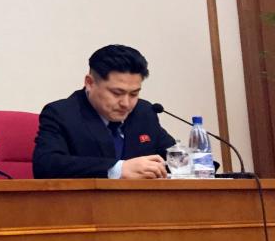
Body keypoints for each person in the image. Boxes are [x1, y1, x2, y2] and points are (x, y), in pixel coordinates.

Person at [32, 44, 175, 179]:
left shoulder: (143, 112)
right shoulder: (62, 114)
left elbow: (173, 156)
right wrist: (118, 169)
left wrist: (191, 160)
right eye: (117, 93)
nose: (125, 103)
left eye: (134, 94)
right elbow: (46, 165)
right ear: (90, 83)